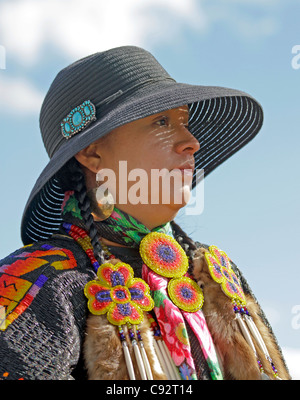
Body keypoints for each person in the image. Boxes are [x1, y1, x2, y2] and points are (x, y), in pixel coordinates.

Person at [0, 46, 291, 380]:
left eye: (185, 122)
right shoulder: (38, 283)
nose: (191, 142)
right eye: (162, 122)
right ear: (91, 152)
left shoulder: (218, 277)